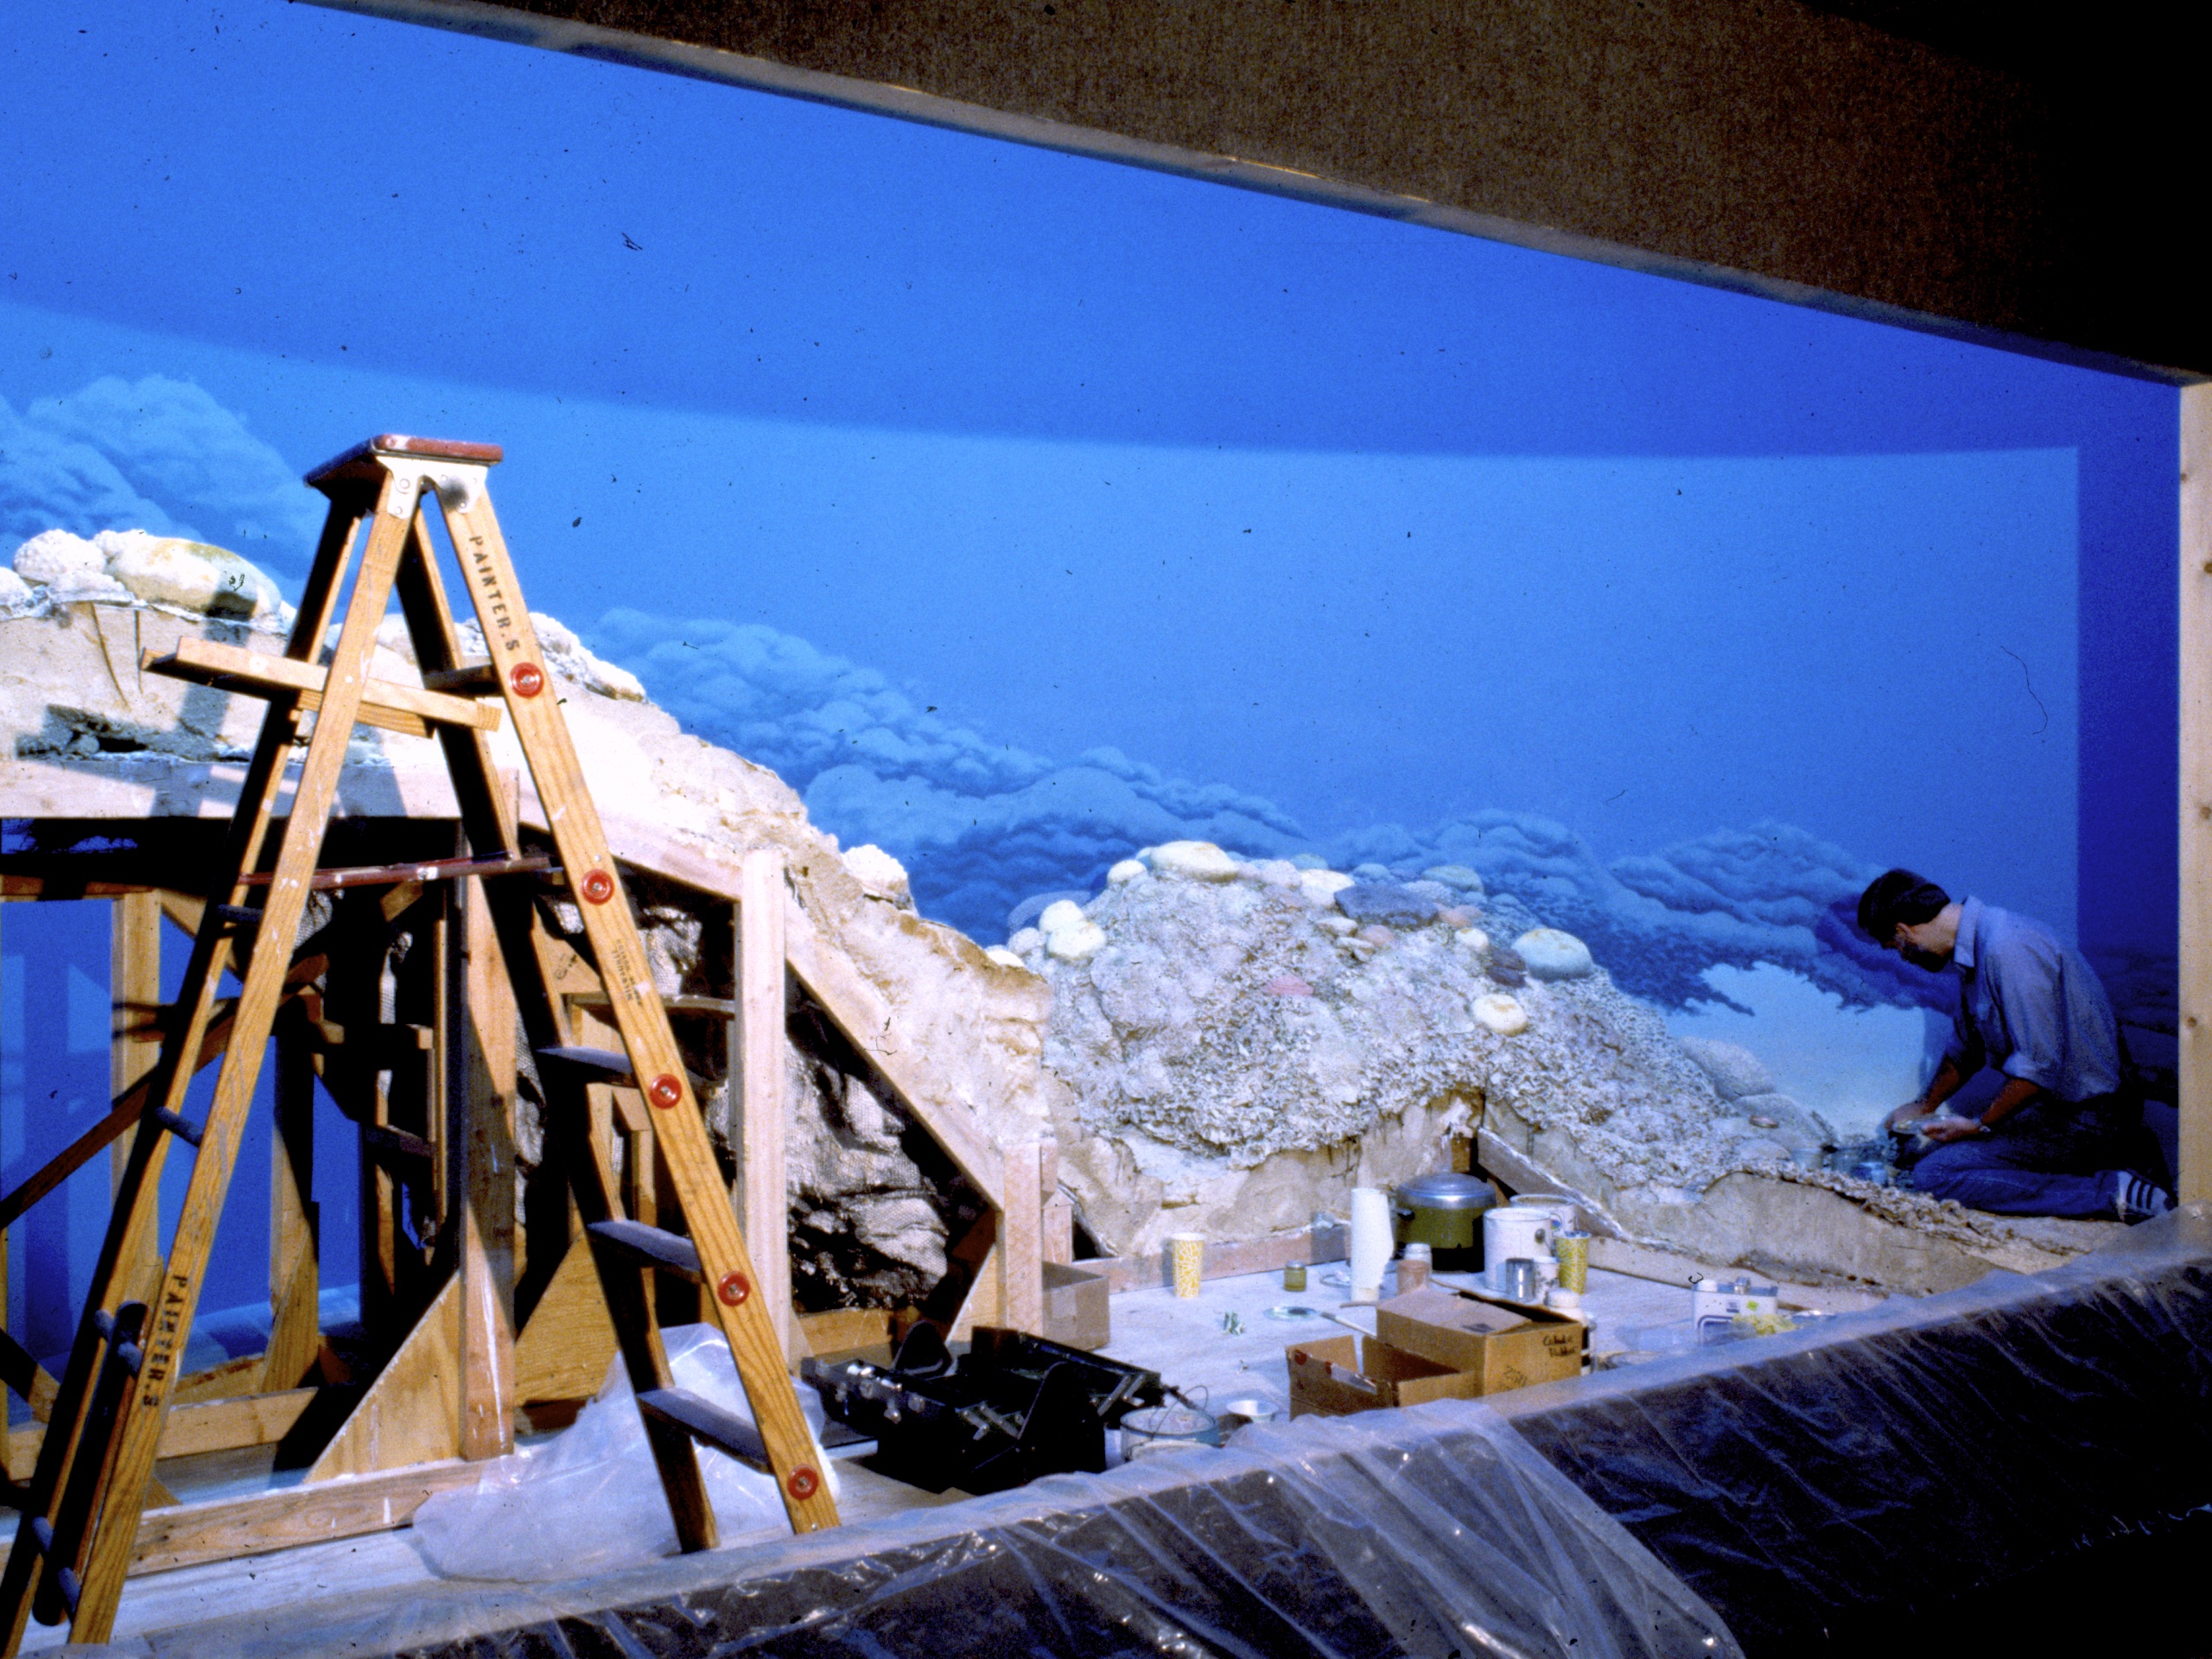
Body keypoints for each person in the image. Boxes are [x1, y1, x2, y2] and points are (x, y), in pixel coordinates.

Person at [1856, 868, 2171, 1221]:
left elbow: (2039, 1068)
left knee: (1937, 1176)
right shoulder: (1976, 949)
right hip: (2059, 1116)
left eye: (1896, 948)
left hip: (2094, 1119)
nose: (1904, 957)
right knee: (1927, 1156)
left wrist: (1981, 1125)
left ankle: (2114, 1192)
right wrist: (1923, 1105)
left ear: (1903, 931)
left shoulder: (2008, 947)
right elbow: (1966, 1048)